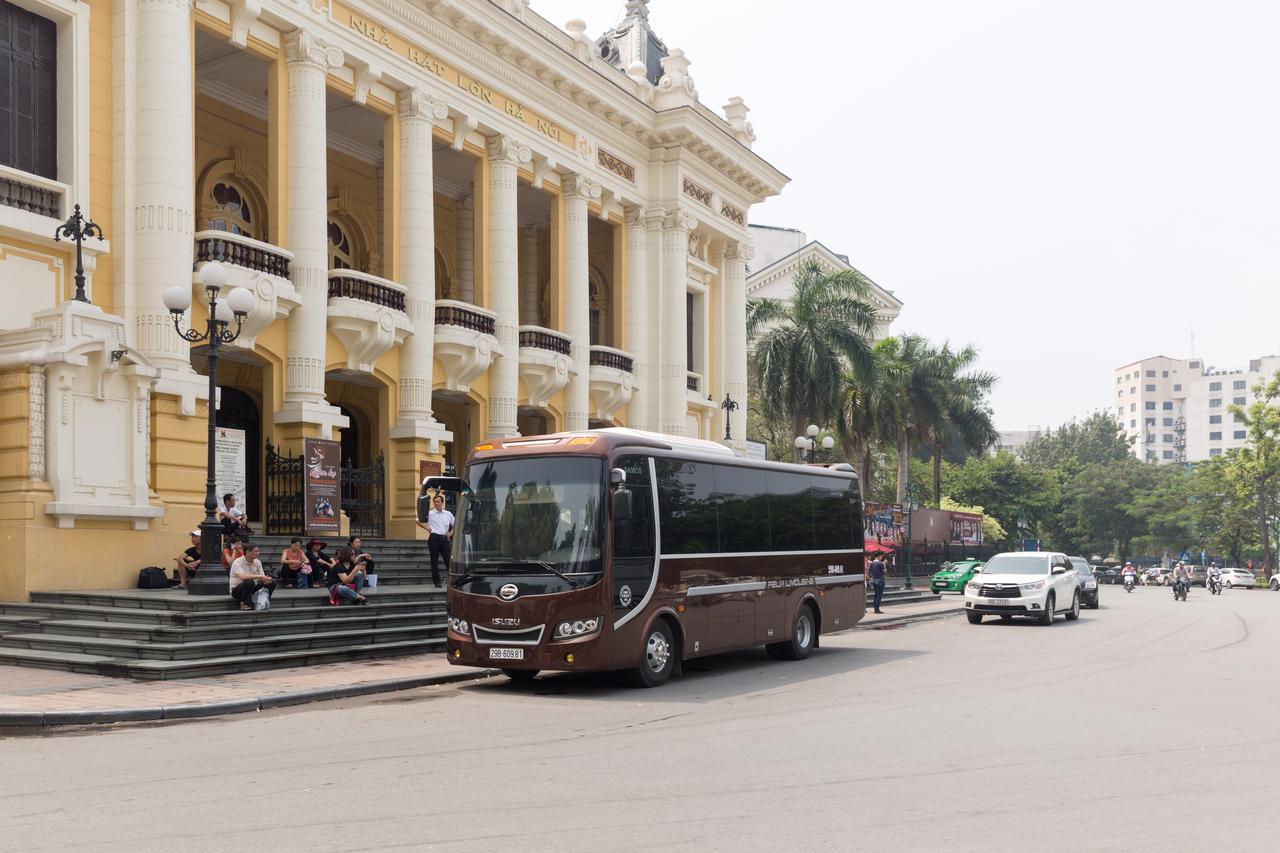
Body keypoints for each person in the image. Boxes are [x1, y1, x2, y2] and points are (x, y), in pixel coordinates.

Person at [419, 493, 455, 587]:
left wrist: (451, 532)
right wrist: (427, 528)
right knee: (434, 561)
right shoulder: (430, 513)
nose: (436, 503)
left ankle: (452, 581)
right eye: (434, 501)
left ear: (442, 502)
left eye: (438, 501)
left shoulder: (448, 514)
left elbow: (456, 523)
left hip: (444, 538)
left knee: (448, 560)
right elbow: (418, 520)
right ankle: (437, 582)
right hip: (434, 537)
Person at [229, 542, 274, 610]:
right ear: (247, 552)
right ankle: (244, 603)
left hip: (252, 587)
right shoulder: (237, 562)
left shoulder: (257, 562)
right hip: (237, 591)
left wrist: (266, 579)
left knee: (271, 583)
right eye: (255, 551)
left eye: (258, 551)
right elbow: (243, 577)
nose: (258, 553)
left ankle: (263, 601)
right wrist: (259, 577)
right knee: (249, 582)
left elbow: (262, 577)